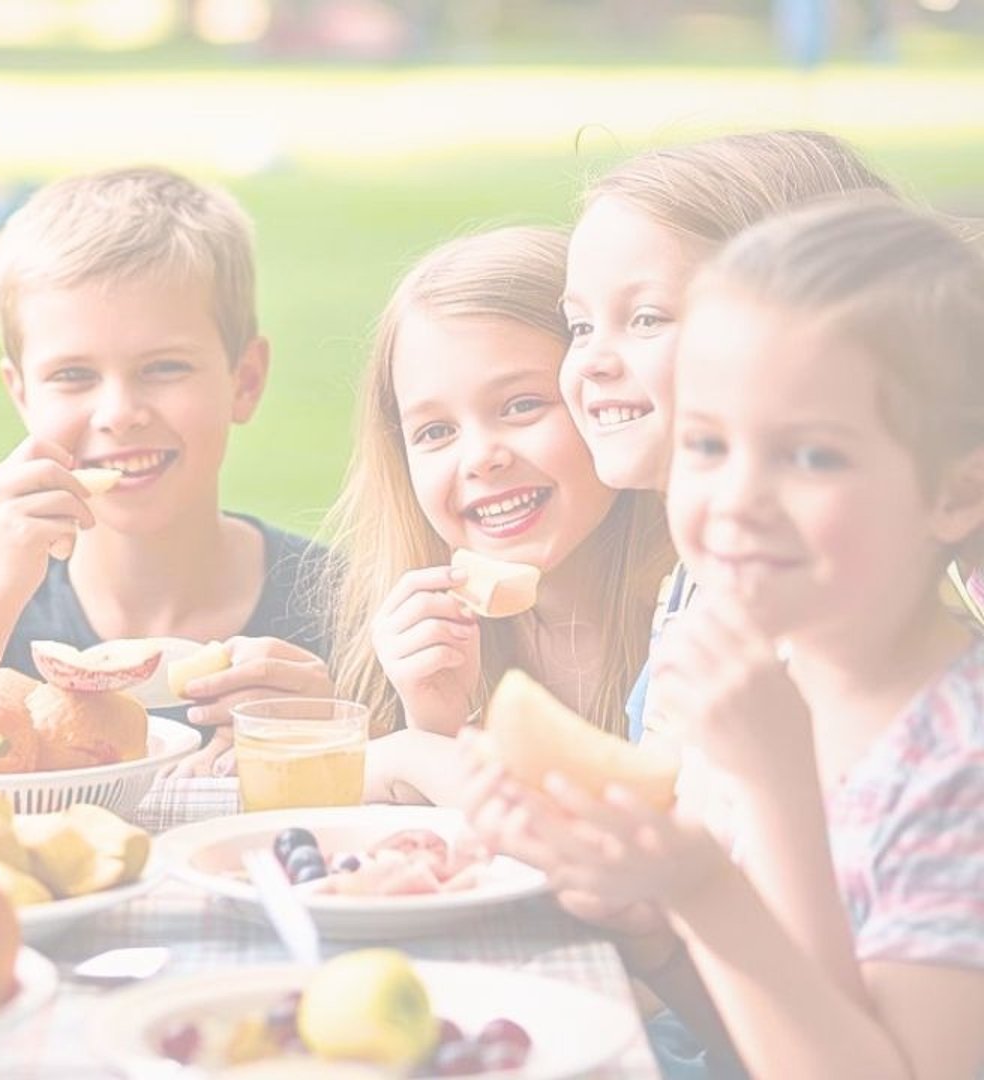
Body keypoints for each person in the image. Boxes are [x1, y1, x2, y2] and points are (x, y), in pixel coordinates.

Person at [463, 198, 984, 1080]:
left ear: (953, 496)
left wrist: (718, 864)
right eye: (707, 445)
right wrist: (651, 899)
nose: (738, 499)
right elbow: (789, 1028)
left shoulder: (956, 764)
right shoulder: (750, 670)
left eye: (812, 456)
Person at [0, 166, 334, 777]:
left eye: (164, 368)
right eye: (74, 376)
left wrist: (334, 729)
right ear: (22, 395)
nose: (120, 414)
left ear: (246, 381)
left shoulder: (335, 602)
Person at [559, 129, 895, 747]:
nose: (592, 361)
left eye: (647, 318)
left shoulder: (829, 623)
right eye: (579, 325)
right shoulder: (697, 577)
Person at [321, 226, 672, 804]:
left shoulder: (695, 620)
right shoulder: (414, 644)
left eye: (522, 406)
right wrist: (435, 726)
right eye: (436, 432)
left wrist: (410, 757)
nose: (481, 457)